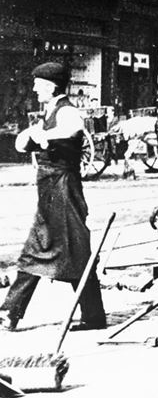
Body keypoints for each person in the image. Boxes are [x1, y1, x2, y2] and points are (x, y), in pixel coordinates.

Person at [0, 62, 106, 331]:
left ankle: (11, 313)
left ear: (50, 86)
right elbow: (22, 143)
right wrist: (32, 135)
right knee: (44, 249)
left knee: (72, 250)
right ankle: (11, 312)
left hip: (64, 189)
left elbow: (73, 130)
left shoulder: (68, 110)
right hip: (50, 190)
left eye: (38, 85)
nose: (34, 89)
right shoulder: (49, 112)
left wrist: (44, 135)